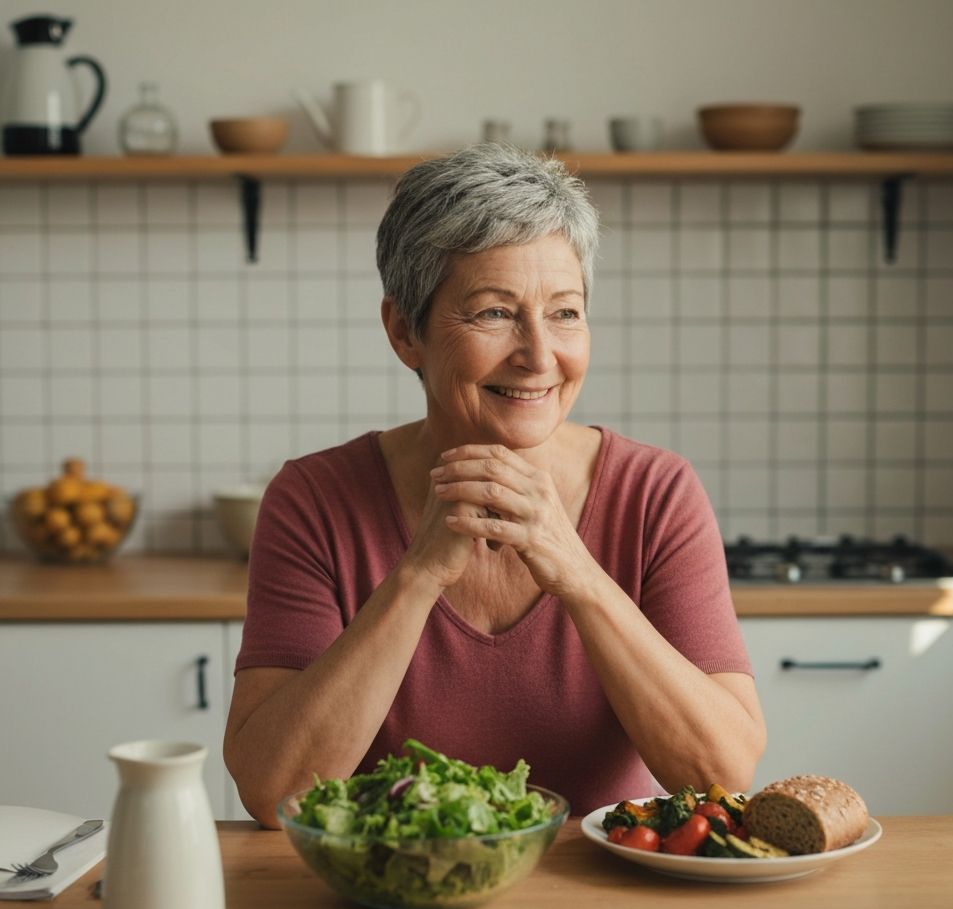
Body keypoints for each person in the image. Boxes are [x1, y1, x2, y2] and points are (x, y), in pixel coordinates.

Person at [225, 144, 765, 828]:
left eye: (565, 313)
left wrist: (576, 571)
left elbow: (721, 773)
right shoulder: (315, 500)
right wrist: (417, 577)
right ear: (404, 332)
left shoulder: (656, 492)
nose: (540, 356)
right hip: (388, 905)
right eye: (493, 313)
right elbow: (275, 793)